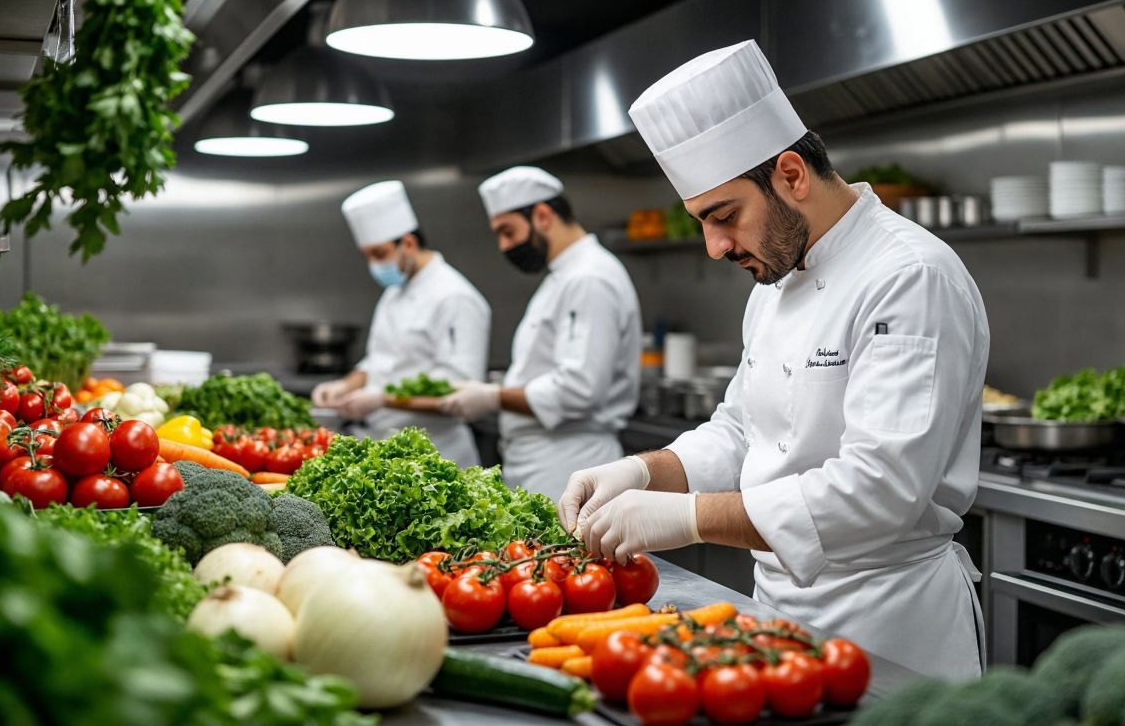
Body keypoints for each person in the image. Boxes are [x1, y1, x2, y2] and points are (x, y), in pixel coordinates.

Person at [561, 40, 990, 680]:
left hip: (893, 628)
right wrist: (646, 472)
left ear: (792, 175)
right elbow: (742, 430)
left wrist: (689, 517)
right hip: (777, 623)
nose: (713, 247)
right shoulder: (776, 281)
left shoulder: (910, 275)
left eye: (724, 216)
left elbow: (880, 491)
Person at [437, 167, 641, 502]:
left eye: (508, 231)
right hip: (541, 461)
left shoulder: (589, 278)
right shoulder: (563, 276)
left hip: (569, 465)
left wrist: (492, 396)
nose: (504, 246)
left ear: (543, 215)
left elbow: (579, 388)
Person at [312, 180, 491, 467]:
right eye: (367, 256)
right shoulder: (393, 293)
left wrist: (382, 399)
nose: (374, 265)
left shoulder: (456, 297)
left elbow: (460, 390)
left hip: (437, 455)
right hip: (385, 445)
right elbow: (379, 361)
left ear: (408, 243)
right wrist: (345, 385)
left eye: (379, 254)